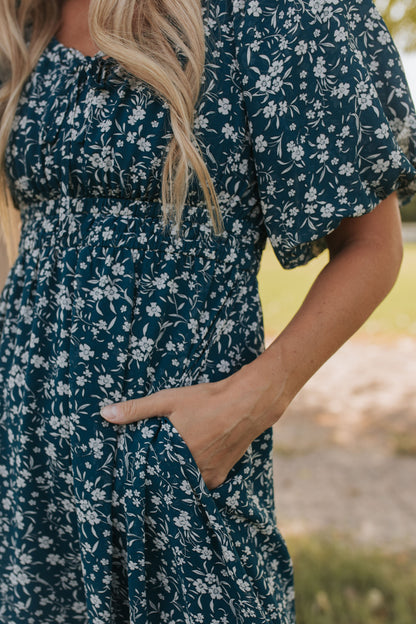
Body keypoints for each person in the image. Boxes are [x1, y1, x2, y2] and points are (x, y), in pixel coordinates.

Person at [0, 0, 415, 622]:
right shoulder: (27, 19)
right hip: (24, 469)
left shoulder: (275, 13)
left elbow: (372, 248)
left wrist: (252, 401)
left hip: (168, 476)